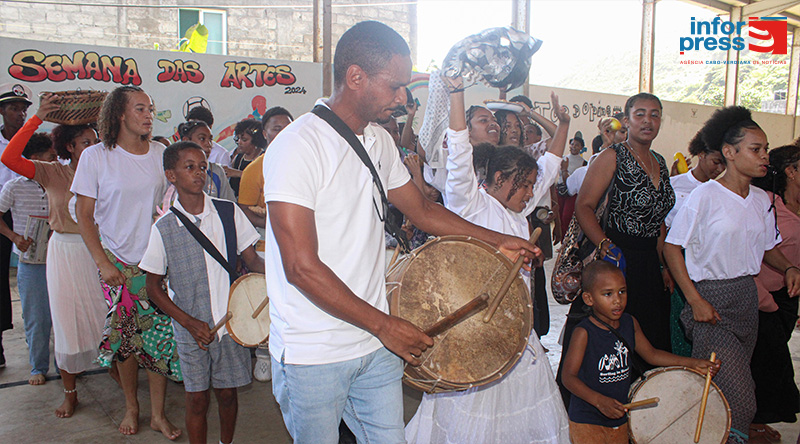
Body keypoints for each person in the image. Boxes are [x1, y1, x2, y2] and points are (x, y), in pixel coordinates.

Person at [263, 21, 539, 444]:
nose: (401, 99)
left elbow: (424, 210)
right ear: (356, 77)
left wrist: (496, 239)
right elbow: (301, 267)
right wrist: (384, 326)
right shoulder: (299, 145)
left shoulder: (377, 141)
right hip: (313, 350)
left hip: (372, 344)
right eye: (394, 86)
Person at [404, 77, 571, 444]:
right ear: (497, 178)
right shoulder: (470, 203)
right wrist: (457, 95)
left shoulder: (519, 209)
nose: (531, 192)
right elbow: (461, 155)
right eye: (524, 184)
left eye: (531, 186)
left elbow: (553, 166)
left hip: (516, 330)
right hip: (473, 329)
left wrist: (564, 125)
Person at [664, 106, 800, 444]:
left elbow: (767, 247)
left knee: (720, 393)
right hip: (711, 300)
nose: (764, 156)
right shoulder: (705, 196)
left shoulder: (760, 199)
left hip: (746, 298)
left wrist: (789, 267)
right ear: (729, 152)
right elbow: (671, 248)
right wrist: (694, 300)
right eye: (756, 149)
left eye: (766, 149)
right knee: (741, 396)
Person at [71, 85, 182, 439]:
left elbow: (167, 205)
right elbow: (84, 215)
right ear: (119, 114)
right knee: (128, 340)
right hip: (116, 260)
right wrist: (103, 263)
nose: (148, 114)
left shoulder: (160, 153)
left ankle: (158, 415)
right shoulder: (96, 157)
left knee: (159, 337)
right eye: (140, 108)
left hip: (153, 259)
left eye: (150, 108)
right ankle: (133, 406)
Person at [558, 93, 676, 408]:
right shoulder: (612, 156)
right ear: (626, 120)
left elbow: (659, 222)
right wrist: (605, 245)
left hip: (649, 263)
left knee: (647, 339)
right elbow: (583, 206)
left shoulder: (661, 163)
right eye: (640, 114)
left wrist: (663, 266)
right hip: (615, 260)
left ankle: (642, 414)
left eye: (655, 114)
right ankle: (589, 408)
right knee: (604, 339)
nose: (648, 121)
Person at [142, 142, 263, 444]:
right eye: (190, 167)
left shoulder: (228, 212)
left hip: (230, 322)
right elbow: (153, 288)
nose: (199, 173)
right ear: (171, 175)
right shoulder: (164, 228)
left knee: (227, 394)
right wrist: (189, 323)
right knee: (196, 400)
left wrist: (284, 273)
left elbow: (252, 261)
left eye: (203, 166)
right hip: (190, 328)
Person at [1, 93, 106, 416]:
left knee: (106, 320)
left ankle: (117, 373)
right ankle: (70, 391)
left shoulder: (107, 174)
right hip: (64, 252)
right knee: (66, 323)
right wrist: (38, 118)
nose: (93, 146)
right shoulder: (52, 172)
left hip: (100, 254)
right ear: (69, 147)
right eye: (85, 142)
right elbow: (10, 158)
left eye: (95, 140)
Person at [562, 261, 718, 444]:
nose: (617, 300)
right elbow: (568, 377)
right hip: (587, 418)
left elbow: (651, 354)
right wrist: (598, 401)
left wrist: (692, 363)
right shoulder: (584, 332)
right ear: (589, 299)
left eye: (622, 291)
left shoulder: (630, 323)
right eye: (607, 294)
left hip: (620, 417)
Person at [237, 105, 293, 384]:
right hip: (264, 244)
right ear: (265, 132)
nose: (283, 132)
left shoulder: (302, 162)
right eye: (276, 127)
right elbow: (245, 209)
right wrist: (273, 223)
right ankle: (263, 354)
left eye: (288, 127)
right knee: (264, 297)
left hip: (296, 244)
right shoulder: (253, 169)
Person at [749, 145, 800, 441]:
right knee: (766, 364)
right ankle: (752, 423)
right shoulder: (768, 203)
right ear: (791, 173)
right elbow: (761, 247)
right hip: (760, 295)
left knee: (773, 362)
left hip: (787, 297)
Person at [0, 131, 56, 385]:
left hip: (59, 259)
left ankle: (65, 365)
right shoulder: (14, 187)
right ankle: (38, 367)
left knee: (63, 316)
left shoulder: (59, 182)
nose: (56, 162)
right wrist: (14, 237)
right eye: (51, 157)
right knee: (36, 317)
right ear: (34, 160)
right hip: (31, 264)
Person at [0, 83, 32, 366]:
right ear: (1, 111)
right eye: (13, 108)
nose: (19, 114)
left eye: (23, 109)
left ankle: (38, 337)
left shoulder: (34, 141)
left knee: (34, 278)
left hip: (29, 211)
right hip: (2, 213)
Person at [177, 120, 236, 201]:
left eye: (210, 139)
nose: (208, 144)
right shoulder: (176, 171)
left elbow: (229, 204)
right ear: (186, 140)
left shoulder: (217, 171)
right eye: (202, 139)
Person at [225, 119, 265, 197]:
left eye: (244, 140)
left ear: (256, 141)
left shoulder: (263, 158)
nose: (239, 142)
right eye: (238, 138)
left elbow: (261, 181)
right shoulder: (238, 158)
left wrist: (238, 173)